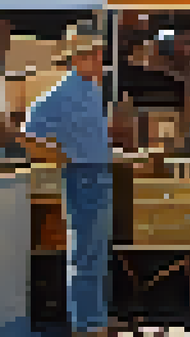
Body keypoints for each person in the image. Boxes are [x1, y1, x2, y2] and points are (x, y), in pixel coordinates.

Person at [0, 23, 114, 337]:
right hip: (85, 175)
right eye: (93, 53)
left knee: (94, 253)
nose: (99, 58)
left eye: (99, 52)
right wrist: (56, 155)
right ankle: (87, 324)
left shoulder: (89, 88)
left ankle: (93, 321)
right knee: (86, 254)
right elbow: (26, 132)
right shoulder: (65, 91)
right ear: (77, 58)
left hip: (95, 172)